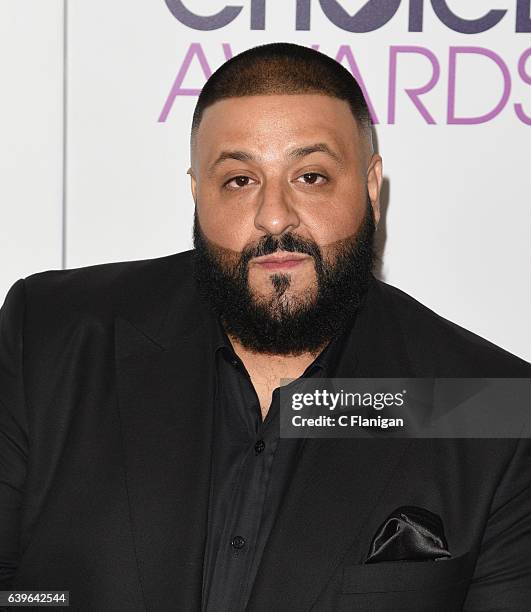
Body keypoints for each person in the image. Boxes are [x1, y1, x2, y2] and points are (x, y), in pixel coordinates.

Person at [0, 42, 529, 612]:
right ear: (197, 191)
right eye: (239, 180)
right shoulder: (51, 336)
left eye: (311, 176)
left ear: (370, 187)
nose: (274, 216)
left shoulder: (487, 406)